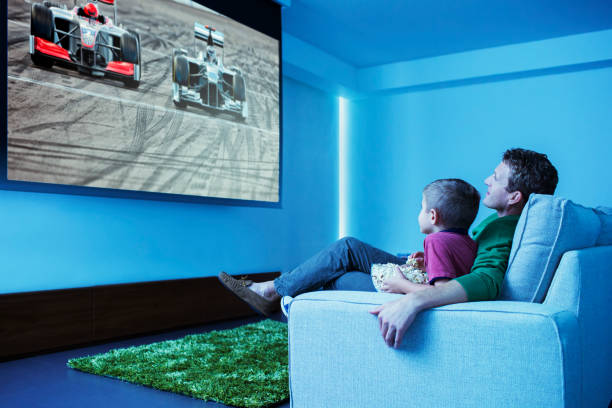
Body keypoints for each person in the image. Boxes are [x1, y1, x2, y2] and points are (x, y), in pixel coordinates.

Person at [218, 148, 558, 348]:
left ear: (515, 197)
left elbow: (486, 280)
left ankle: (280, 300)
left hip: (418, 285)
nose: (487, 180)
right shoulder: (502, 223)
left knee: (342, 273)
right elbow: (465, 261)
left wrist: (411, 293)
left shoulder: (505, 228)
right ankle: (275, 292)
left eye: (496, 177)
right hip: (423, 271)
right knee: (348, 248)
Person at [380, 179, 480, 294]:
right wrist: (429, 266)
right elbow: (456, 275)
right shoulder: (469, 242)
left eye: (422, 207)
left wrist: (401, 285)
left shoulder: (435, 241)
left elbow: (442, 292)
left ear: (433, 216)